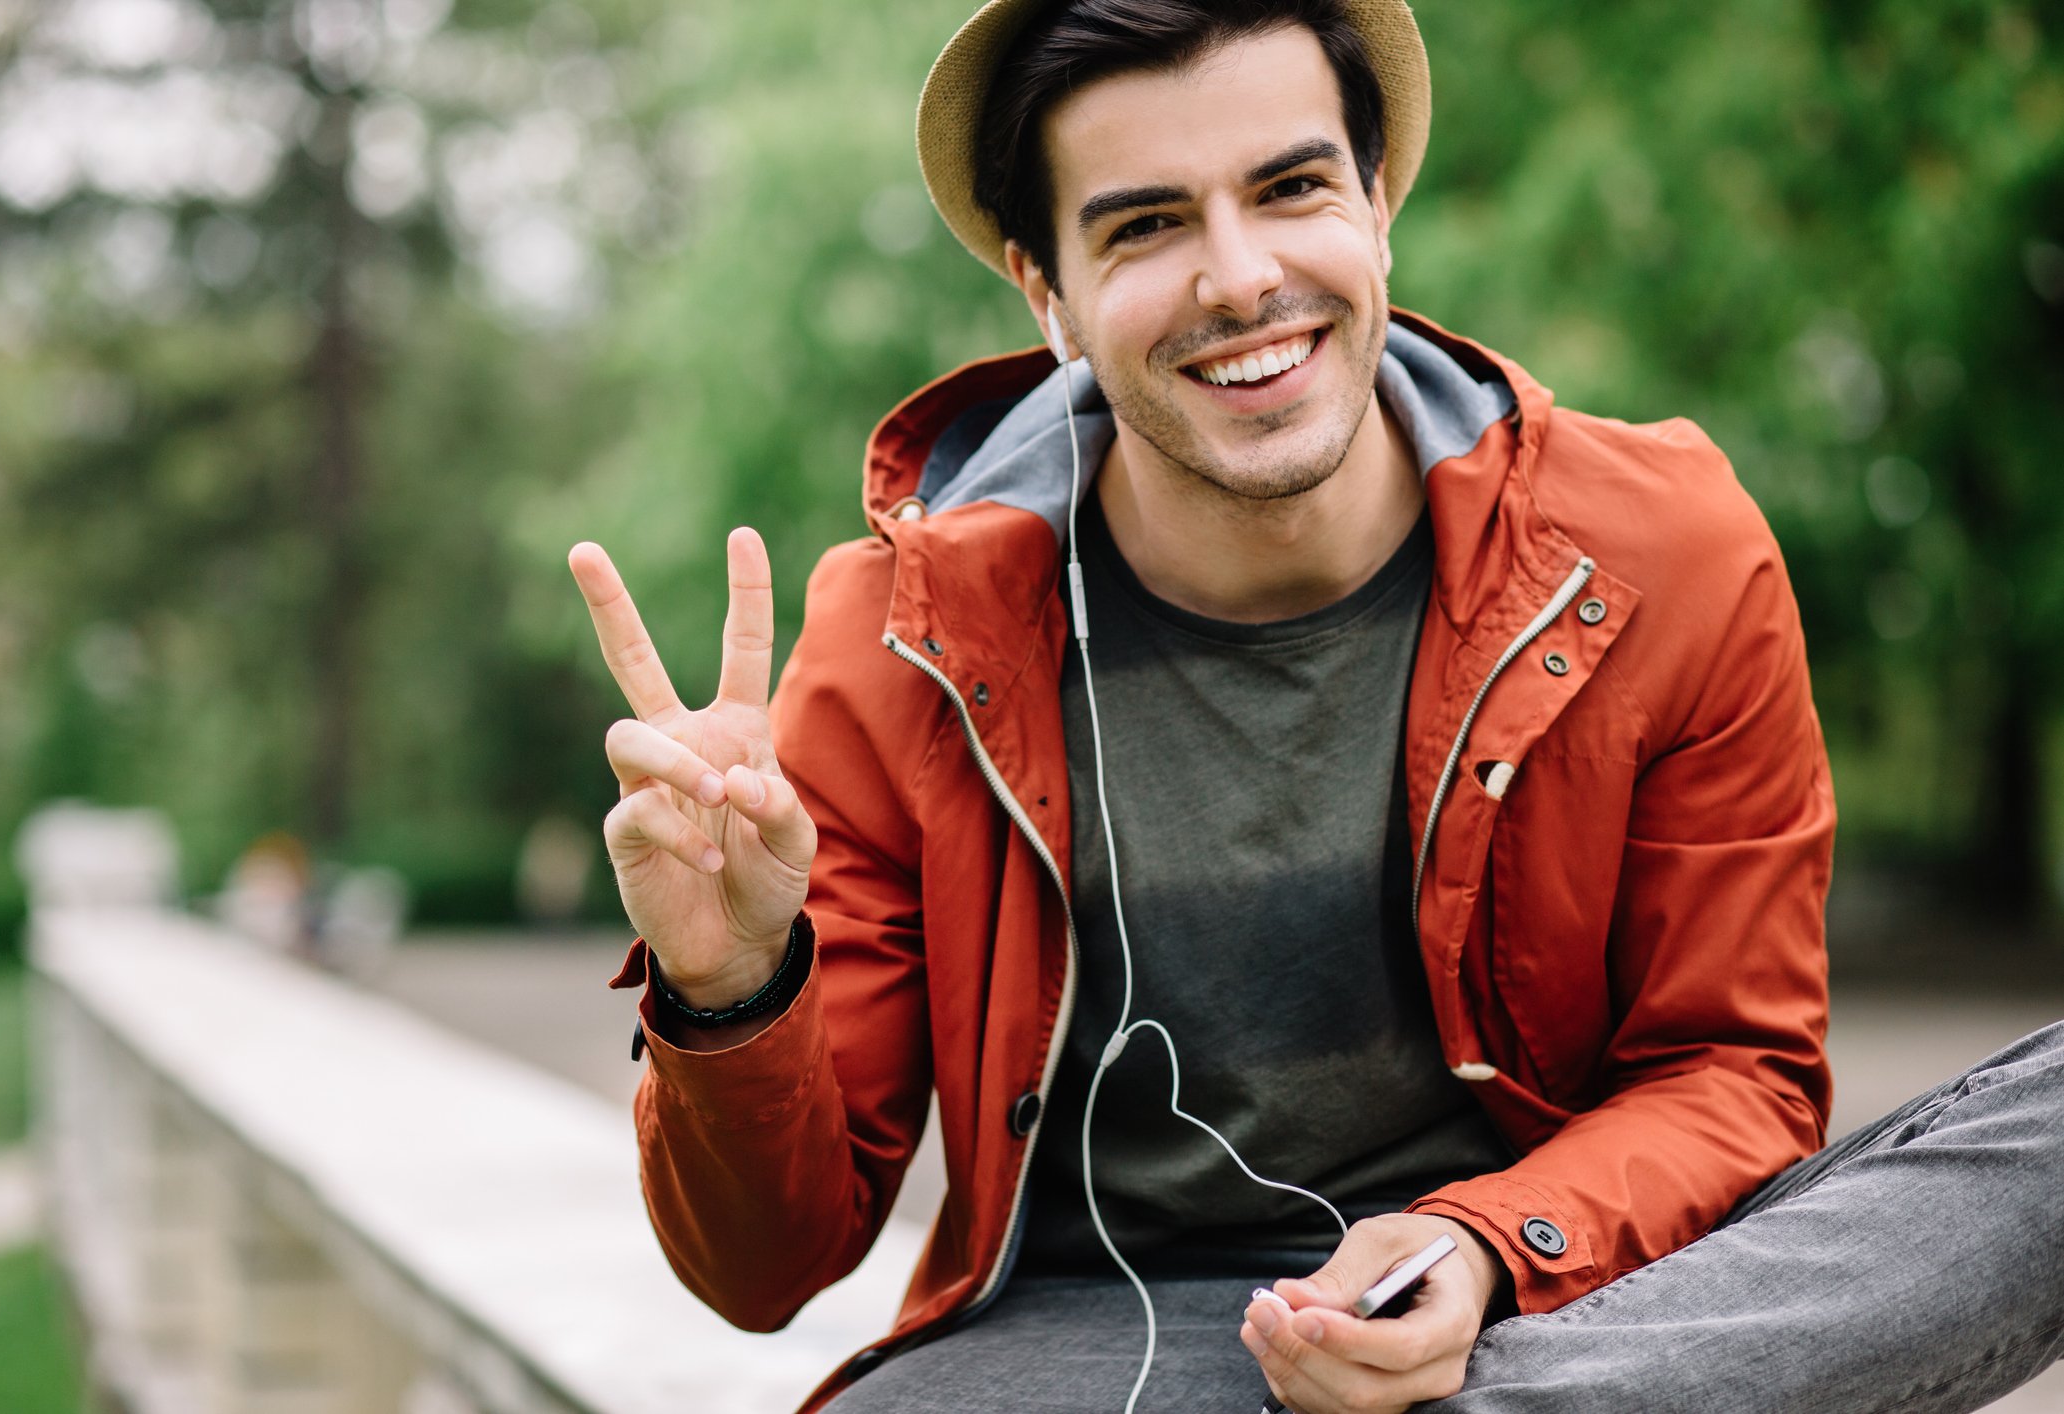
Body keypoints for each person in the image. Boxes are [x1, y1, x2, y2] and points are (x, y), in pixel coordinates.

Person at [570, 1, 2064, 1410]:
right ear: (1049, 294)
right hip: (1107, 1351)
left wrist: (1478, 1250)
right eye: (1146, 223)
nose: (1238, 277)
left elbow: (1733, 1074)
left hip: (1575, 1307)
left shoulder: (1657, 547)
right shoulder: (894, 636)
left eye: (1288, 187)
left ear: (1376, 204)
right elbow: (765, 1275)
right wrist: (731, 984)